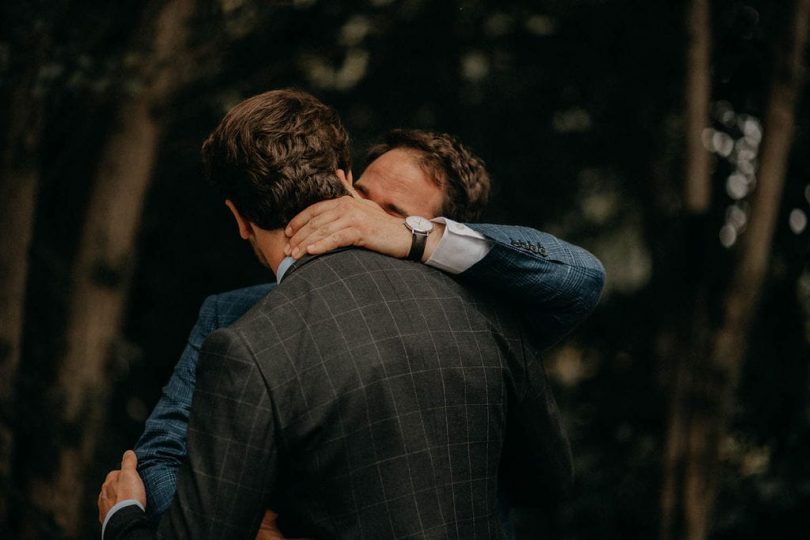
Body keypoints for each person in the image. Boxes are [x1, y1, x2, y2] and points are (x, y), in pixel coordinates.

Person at [99, 89, 603, 537]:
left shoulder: (478, 300)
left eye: (395, 216)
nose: (363, 219)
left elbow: (581, 276)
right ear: (342, 180)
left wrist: (412, 239)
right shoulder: (236, 321)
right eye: (362, 197)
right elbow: (163, 453)